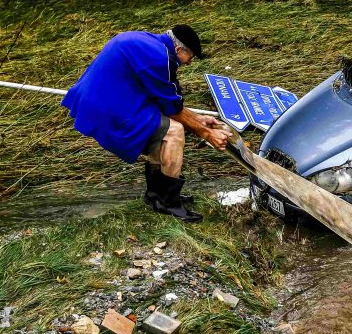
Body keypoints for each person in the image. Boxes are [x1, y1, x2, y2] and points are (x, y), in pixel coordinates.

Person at [61, 24, 231, 222]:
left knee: (161, 129)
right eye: (190, 57)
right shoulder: (159, 58)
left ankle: (155, 196)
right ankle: (168, 203)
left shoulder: (148, 42)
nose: (189, 63)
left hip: (105, 98)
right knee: (173, 131)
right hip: (106, 107)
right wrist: (207, 133)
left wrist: (197, 119)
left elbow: (166, 100)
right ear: (179, 50)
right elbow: (169, 106)